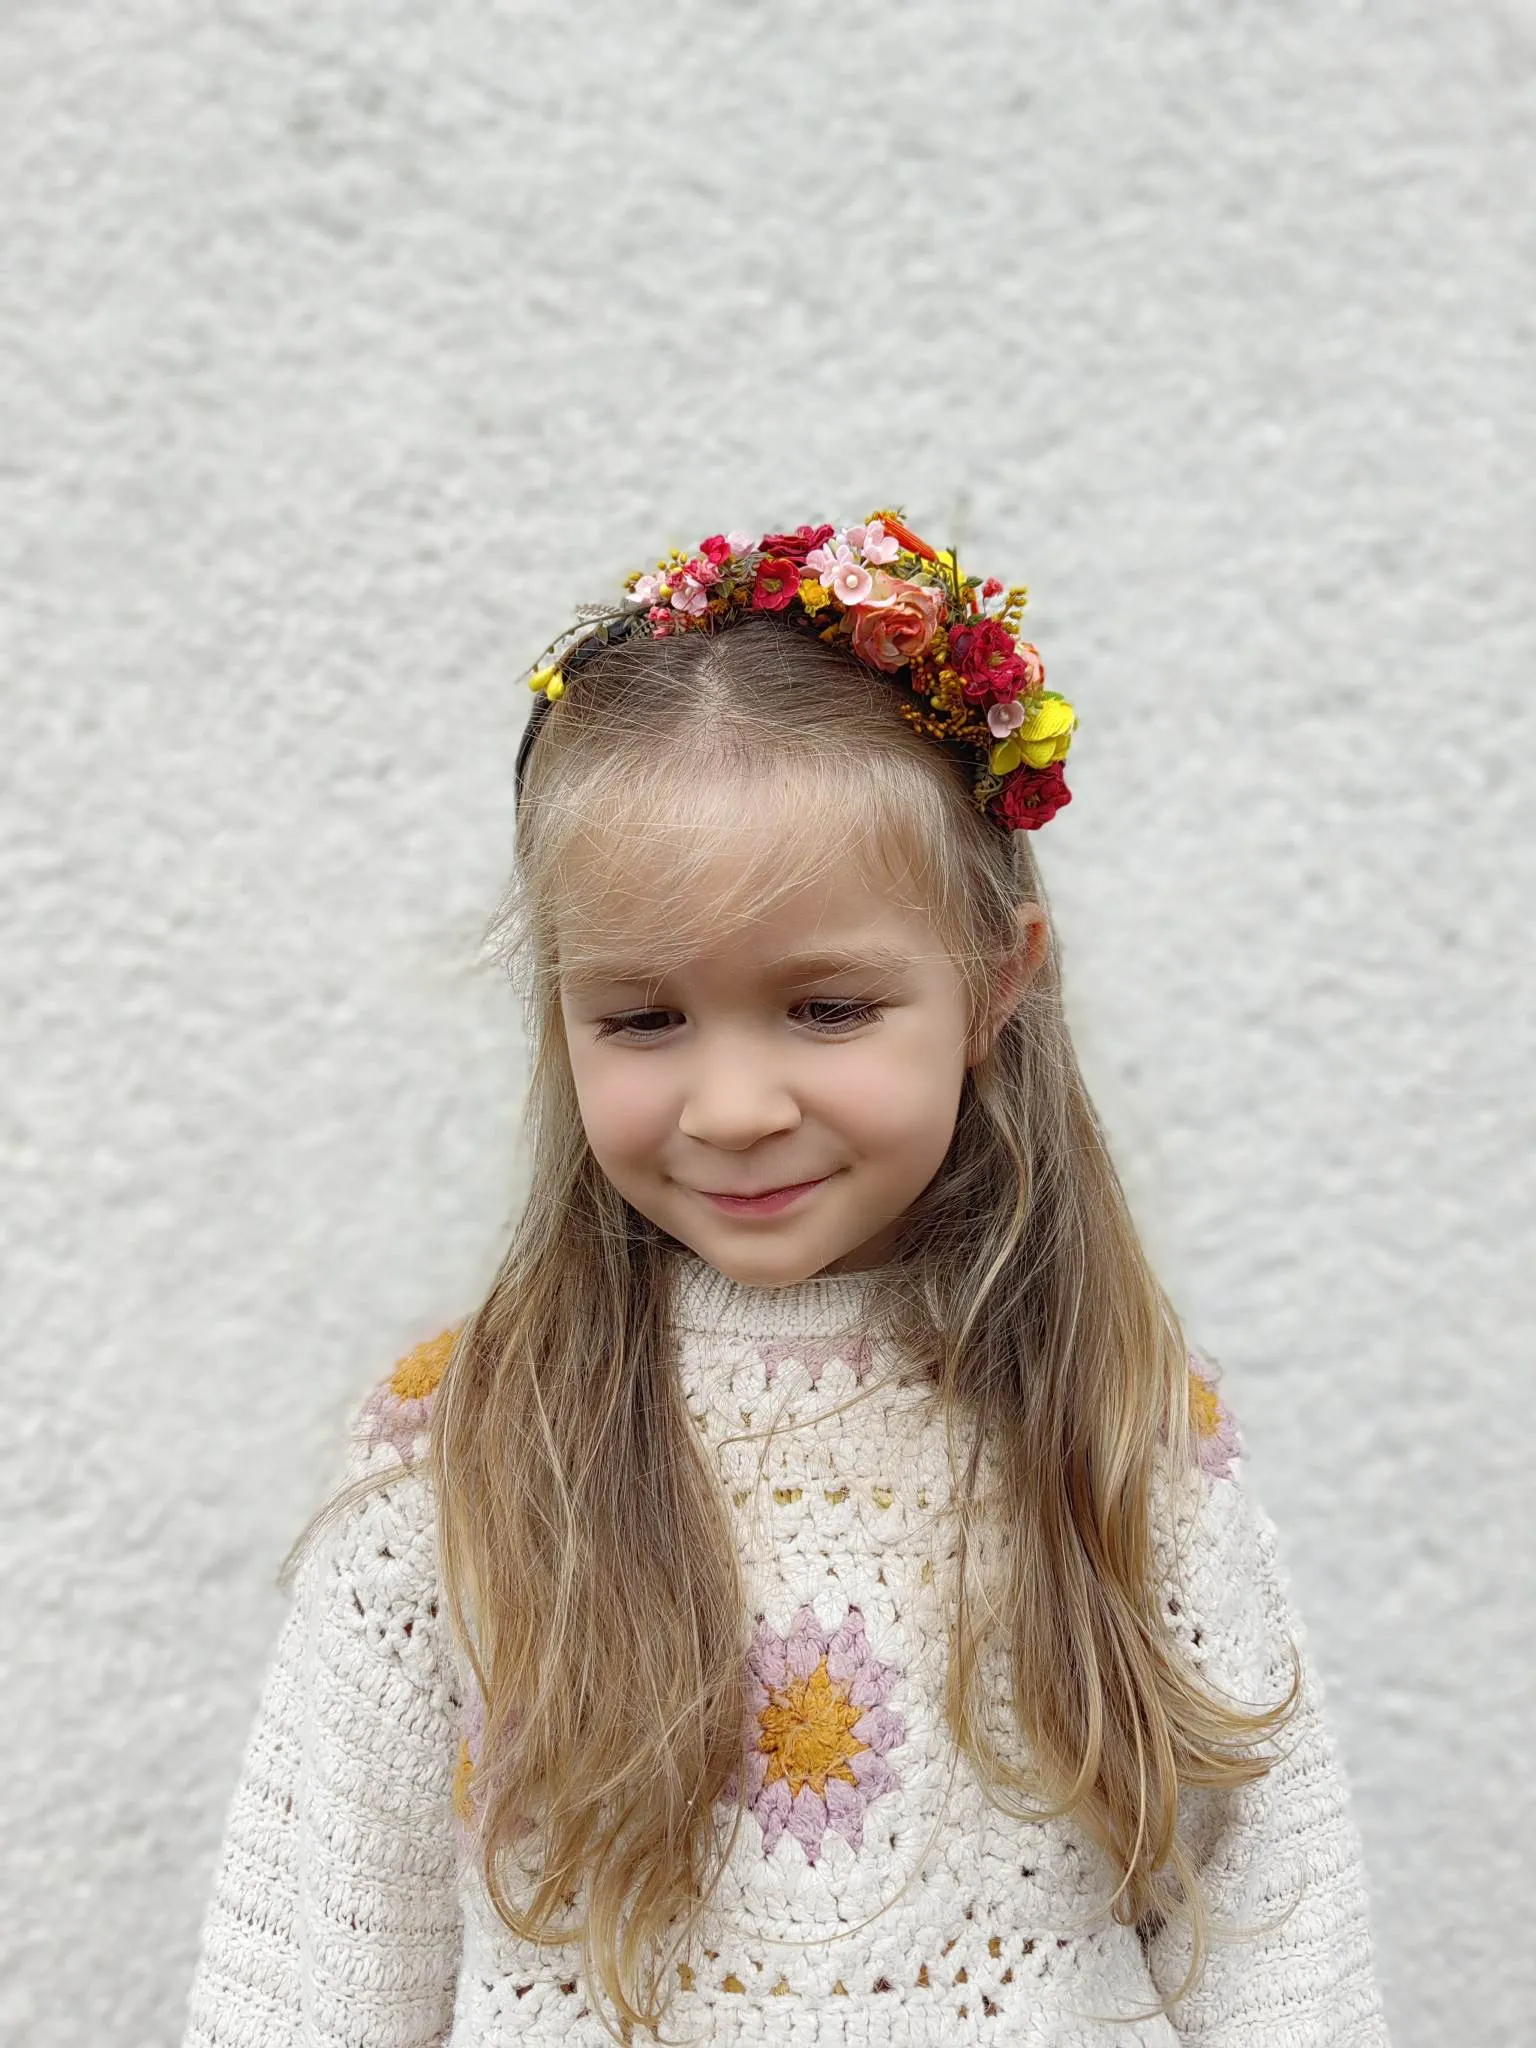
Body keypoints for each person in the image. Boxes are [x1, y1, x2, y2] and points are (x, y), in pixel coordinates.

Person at [182, 514, 1390, 2046]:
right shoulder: (466, 1453)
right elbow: (305, 1979)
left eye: (825, 1007)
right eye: (642, 1018)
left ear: (993, 985)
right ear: (559, 1013)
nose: (735, 1104)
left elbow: (1287, 1945)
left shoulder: (1120, 1431)